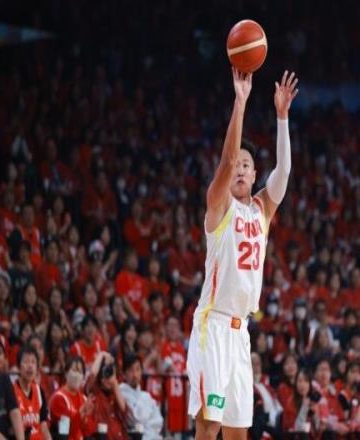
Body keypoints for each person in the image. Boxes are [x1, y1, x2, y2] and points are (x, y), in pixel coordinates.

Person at [187, 68, 298, 440]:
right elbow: (226, 161)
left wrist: (281, 117)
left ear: (254, 175)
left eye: (246, 166)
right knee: (209, 426)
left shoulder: (262, 210)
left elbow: (284, 171)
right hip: (214, 326)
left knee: (238, 433)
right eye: (237, 165)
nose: (239, 169)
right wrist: (241, 102)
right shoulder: (220, 205)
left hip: (240, 333)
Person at [82, 351, 129, 439]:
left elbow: (123, 409)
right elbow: (93, 374)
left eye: (110, 373)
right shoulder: (94, 391)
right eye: (104, 374)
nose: (108, 378)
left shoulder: (115, 394)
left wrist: (114, 382)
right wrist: (101, 355)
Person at [119, 354, 163, 440]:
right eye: (131, 370)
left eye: (137, 369)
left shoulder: (146, 396)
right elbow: (136, 419)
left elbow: (159, 422)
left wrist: (145, 427)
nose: (135, 374)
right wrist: (147, 424)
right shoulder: (121, 393)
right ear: (124, 374)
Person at [13, 345, 52, 439]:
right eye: (26, 362)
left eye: (33, 362)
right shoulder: (11, 391)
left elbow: (43, 425)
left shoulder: (39, 391)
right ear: (18, 367)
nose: (30, 366)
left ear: (37, 368)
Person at [49, 356, 92, 440]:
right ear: (66, 373)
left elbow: (88, 431)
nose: (77, 375)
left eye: (80, 372)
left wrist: (87, 418)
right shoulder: (58, 398)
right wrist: (81, 413)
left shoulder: (84, 398)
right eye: (74, 370)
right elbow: (67, 431)